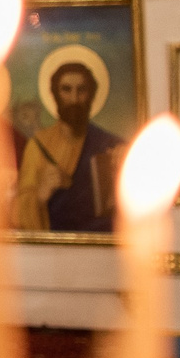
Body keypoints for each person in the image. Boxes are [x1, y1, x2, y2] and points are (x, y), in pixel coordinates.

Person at [14, 57, 124, 234]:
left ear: (92, 95)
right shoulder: (39, 145)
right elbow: (20, 212)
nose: (74, 98)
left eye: (81, 90)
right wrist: (40, 196)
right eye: (66, 89)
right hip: (53, 253)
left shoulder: (109, 145)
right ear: (55, 94)